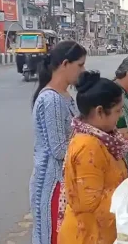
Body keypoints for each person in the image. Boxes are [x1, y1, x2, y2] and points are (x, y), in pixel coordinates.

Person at [58, 71, 128, 244]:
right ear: (100, 112)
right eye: (117, 111)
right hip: (88, 236)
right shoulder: (88, 147)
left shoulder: (103, 138)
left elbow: (108, 184)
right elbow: (93, 206)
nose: (120, 116)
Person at [29, 41, 87, 244]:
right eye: (80, 65)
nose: (83, 70)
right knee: (53, 237)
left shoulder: (65, 95)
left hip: (64, 182)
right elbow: (60, 149)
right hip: (52, 184)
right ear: (65, 64)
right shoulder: (51, 99)